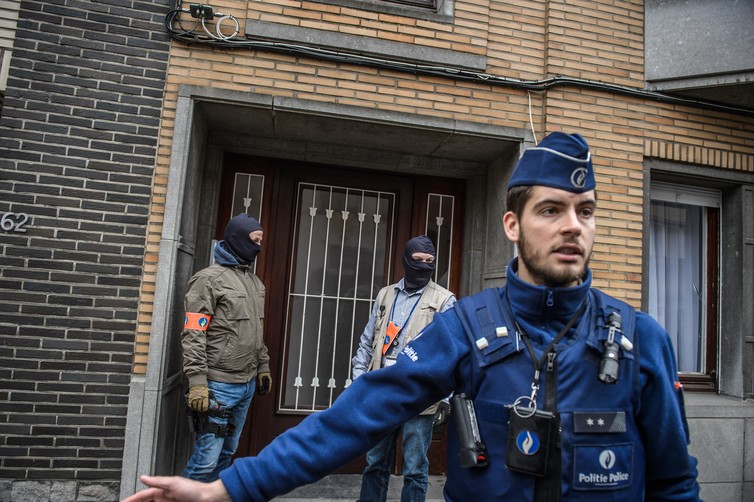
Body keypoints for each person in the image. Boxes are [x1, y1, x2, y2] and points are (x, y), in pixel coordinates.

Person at [123, 132, 700, 502]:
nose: (573, 225)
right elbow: (352, 417)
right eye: (551, 209)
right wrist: (232, 488)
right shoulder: (467, 326)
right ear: (512, 224)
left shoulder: (641, 340)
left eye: (586, 211)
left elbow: (675, 482)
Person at [351, 236, 456, 502]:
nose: (423, 266)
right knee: (374, 462)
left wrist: (445, 398)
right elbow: (367, 341)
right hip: (382, 391)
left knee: (415, 469)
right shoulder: (386, 295)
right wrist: (357, 382)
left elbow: (451, 352)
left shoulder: (444, 300)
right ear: (406, 260)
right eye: (417, 260)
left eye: (429, 262)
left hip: (419, 395)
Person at [180, 213, 272, 482]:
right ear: (237, 239)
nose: (258, 247)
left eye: (260, 241)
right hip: (218, 387)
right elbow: (193, 333)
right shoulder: (208, 280)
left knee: (226, 454)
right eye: (254, 240)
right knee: (204, 461)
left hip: (246, 384)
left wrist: (263, 365)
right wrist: (197, 381)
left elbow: (256, 331)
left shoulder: (255, 283)